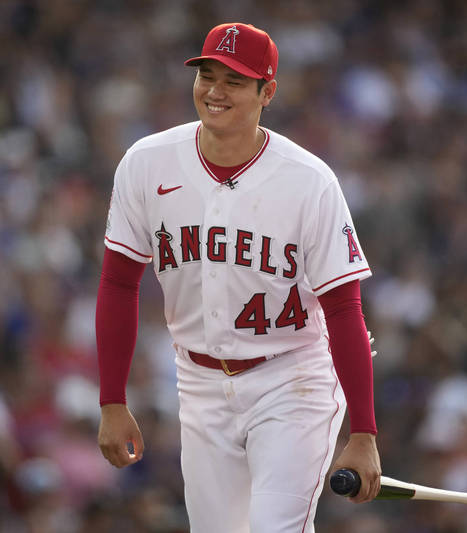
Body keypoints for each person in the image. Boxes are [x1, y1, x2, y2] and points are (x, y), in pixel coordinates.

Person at [95, 22, 381, 532]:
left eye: (234, 81)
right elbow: (118, 283)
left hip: (291, 378)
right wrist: (113, 401)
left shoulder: (309, 181)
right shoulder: (146, 163)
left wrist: (363, 433)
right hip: (199, 381)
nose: (215, 91)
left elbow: (343, 308)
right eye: (207, 76)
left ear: (267, 92)